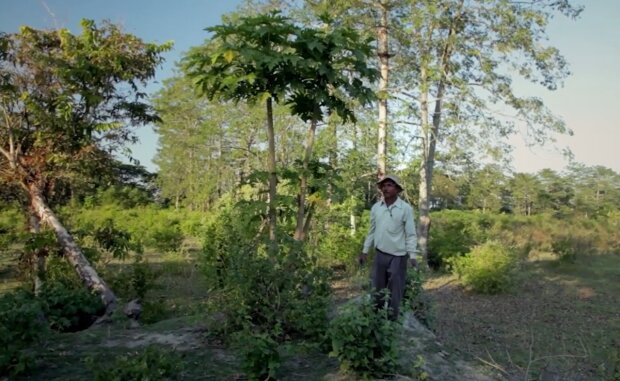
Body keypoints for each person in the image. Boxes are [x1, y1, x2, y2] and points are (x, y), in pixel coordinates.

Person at [359, 174, 418, 320]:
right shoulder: (376, 208)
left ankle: (392, 321)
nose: (386, 188)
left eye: (390, 185)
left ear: (397, 189)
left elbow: (411, 234)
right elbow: (371, 231)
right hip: (380, 255)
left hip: (398, 256)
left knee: (395, 291)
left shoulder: (405, 209)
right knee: (377, 288)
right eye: (383, 185)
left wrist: (413, 255)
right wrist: (365, 251)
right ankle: (377, 320)